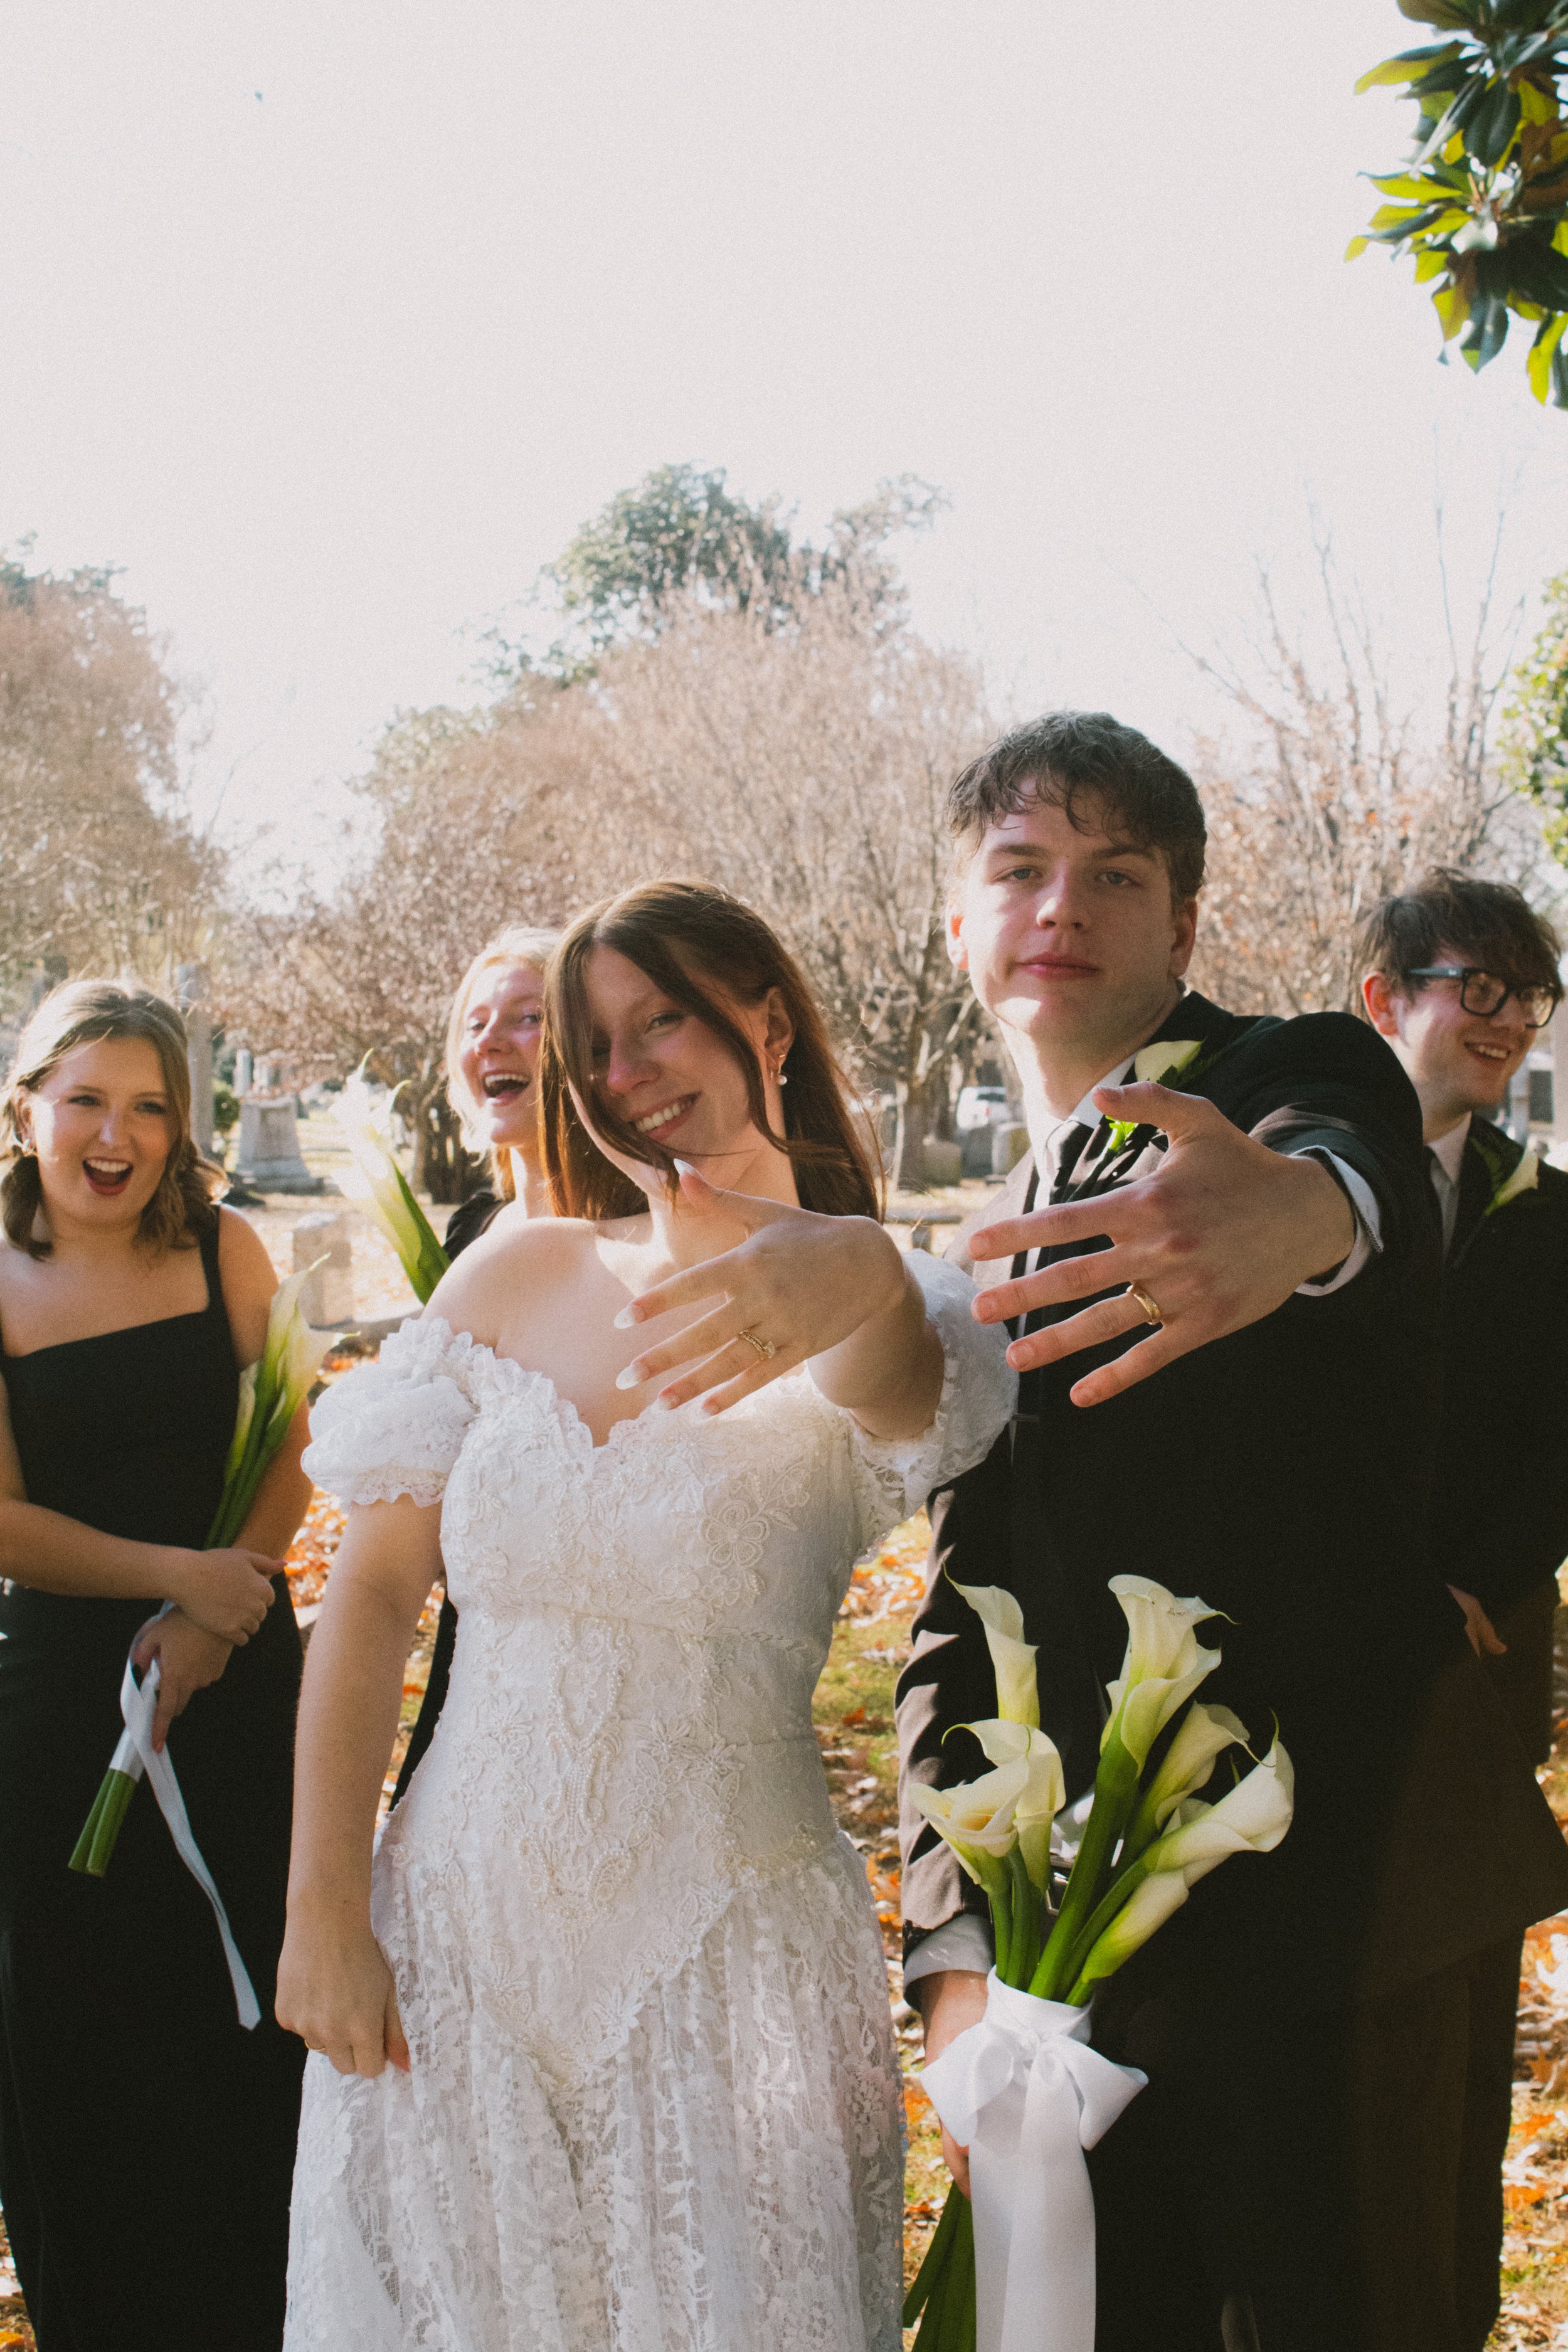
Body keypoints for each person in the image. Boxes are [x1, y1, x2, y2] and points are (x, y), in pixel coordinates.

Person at [896, 713, 1568, 2352]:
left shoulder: (1288, 1077)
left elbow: (1350, 1177)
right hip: (1079, 1970)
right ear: (958, 919)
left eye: (1115, 872)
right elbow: (967, 1595)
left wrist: (1300, 1219)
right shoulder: (1011, 1202)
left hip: (1342, 1936)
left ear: (1183, 924)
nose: (1063, 902)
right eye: (1020, 869)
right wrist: (952, 1940)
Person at [275, 880, 1017, 2351]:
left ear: (765, 1015)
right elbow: (364, 1600)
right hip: (451, 1943)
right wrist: (322, 1906)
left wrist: (856, 1263)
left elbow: (899, 1391)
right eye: (592, 1047)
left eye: (659, 1020)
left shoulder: (891, 1298)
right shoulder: (514, 1271)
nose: (625, 1077)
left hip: (726, 1959)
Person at [0, 980, 313, 2351]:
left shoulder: (225, 1251)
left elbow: (298, 1442)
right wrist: (166, 1580)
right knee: (88, 2037)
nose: (114, 1135)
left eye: (148, 1107)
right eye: (86, 1101)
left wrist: (218, 1603)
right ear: (26, 1111)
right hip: (67, 1696)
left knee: (244, 2023)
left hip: (241, 1671)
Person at [1359, 870, 1568, 1761]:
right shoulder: (1275, 1184)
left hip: (1488, 1643)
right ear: (1385, 1000)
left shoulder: (1552, 1213)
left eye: (1533, 996)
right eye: (1481, 987)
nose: (1515, 1020)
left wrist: (1481, 1584)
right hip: (1312, 1631)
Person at [390, 924, 559, 1807]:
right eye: (476, 1022)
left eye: (527, 1018)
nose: (491, 1042)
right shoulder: (469, 1236)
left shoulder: (645, 1245)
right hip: (470, 1646)